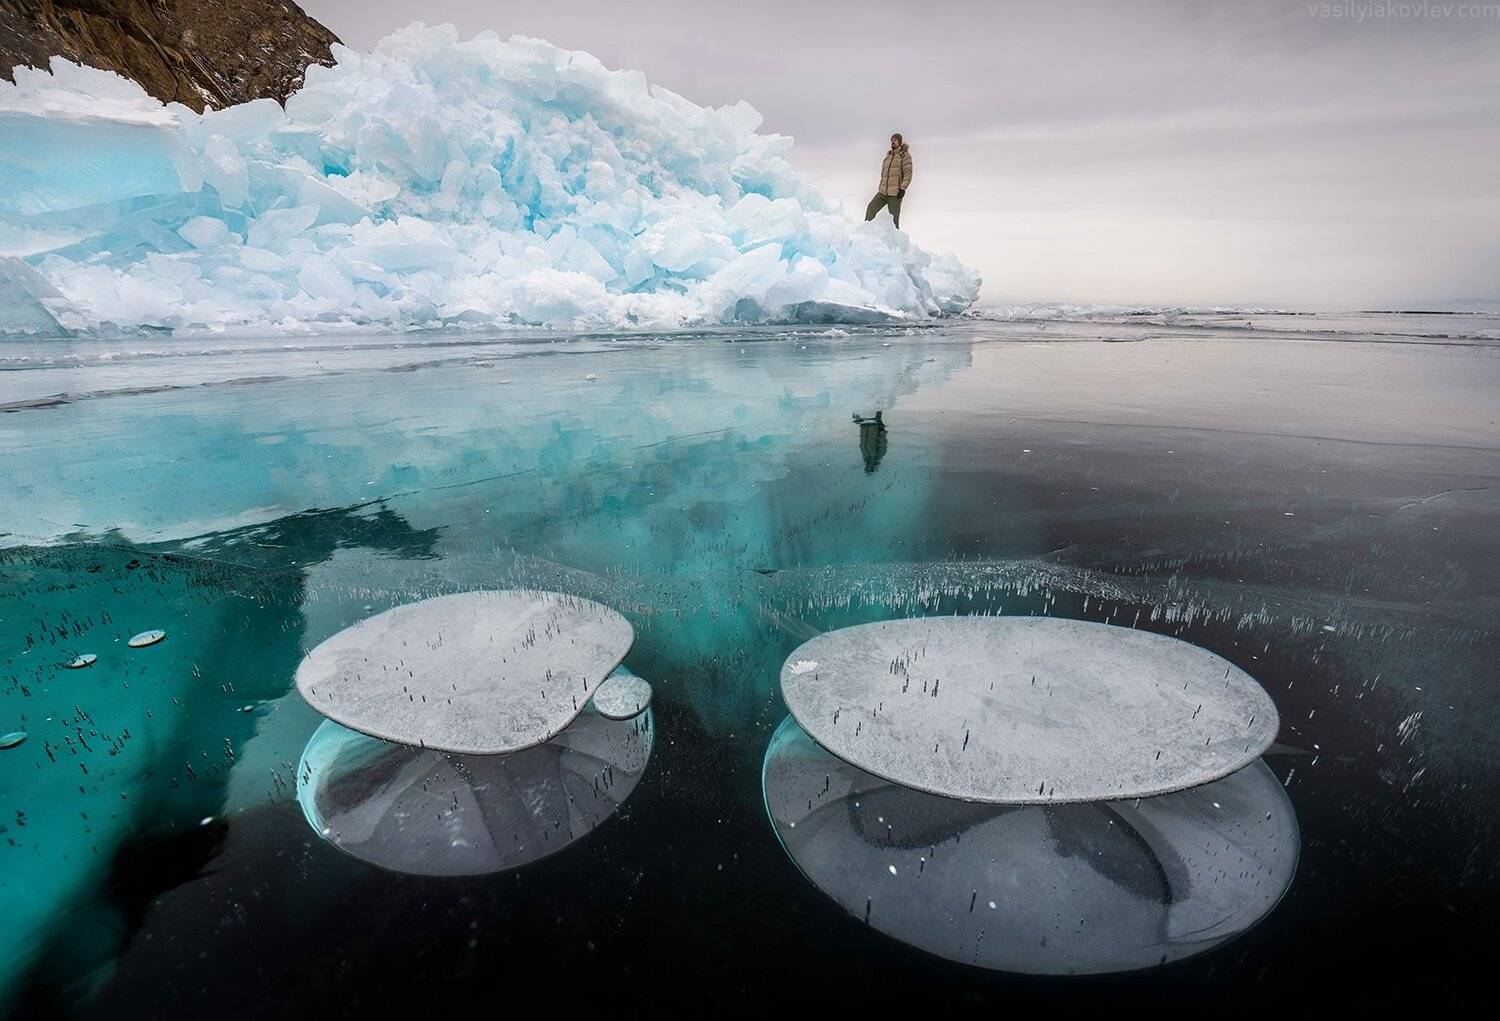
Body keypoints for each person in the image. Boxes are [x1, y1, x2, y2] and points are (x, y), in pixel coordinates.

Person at [864, 133, 913, 229]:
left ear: (900, 142)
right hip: (882, 192)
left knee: (894, 220)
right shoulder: (888, 157)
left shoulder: (905, 156)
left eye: (895, 140)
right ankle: (866, 232)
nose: (893, 141)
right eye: (892, 140)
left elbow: (908, 174)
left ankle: (894, 242)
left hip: (895, 194)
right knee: (871, 208)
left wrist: (902, 188)